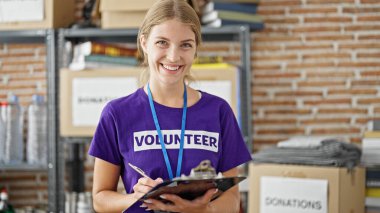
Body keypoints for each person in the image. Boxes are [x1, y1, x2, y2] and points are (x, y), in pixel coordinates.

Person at [88, 0, 252, 212]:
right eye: (162, 42)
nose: (173, 56)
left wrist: (202, 211)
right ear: (144, 43)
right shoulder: (117, 114)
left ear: (195, 50)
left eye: (185, 44)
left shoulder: (219, 111)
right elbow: (100, 199)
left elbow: (232, 199)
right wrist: (136, 198)